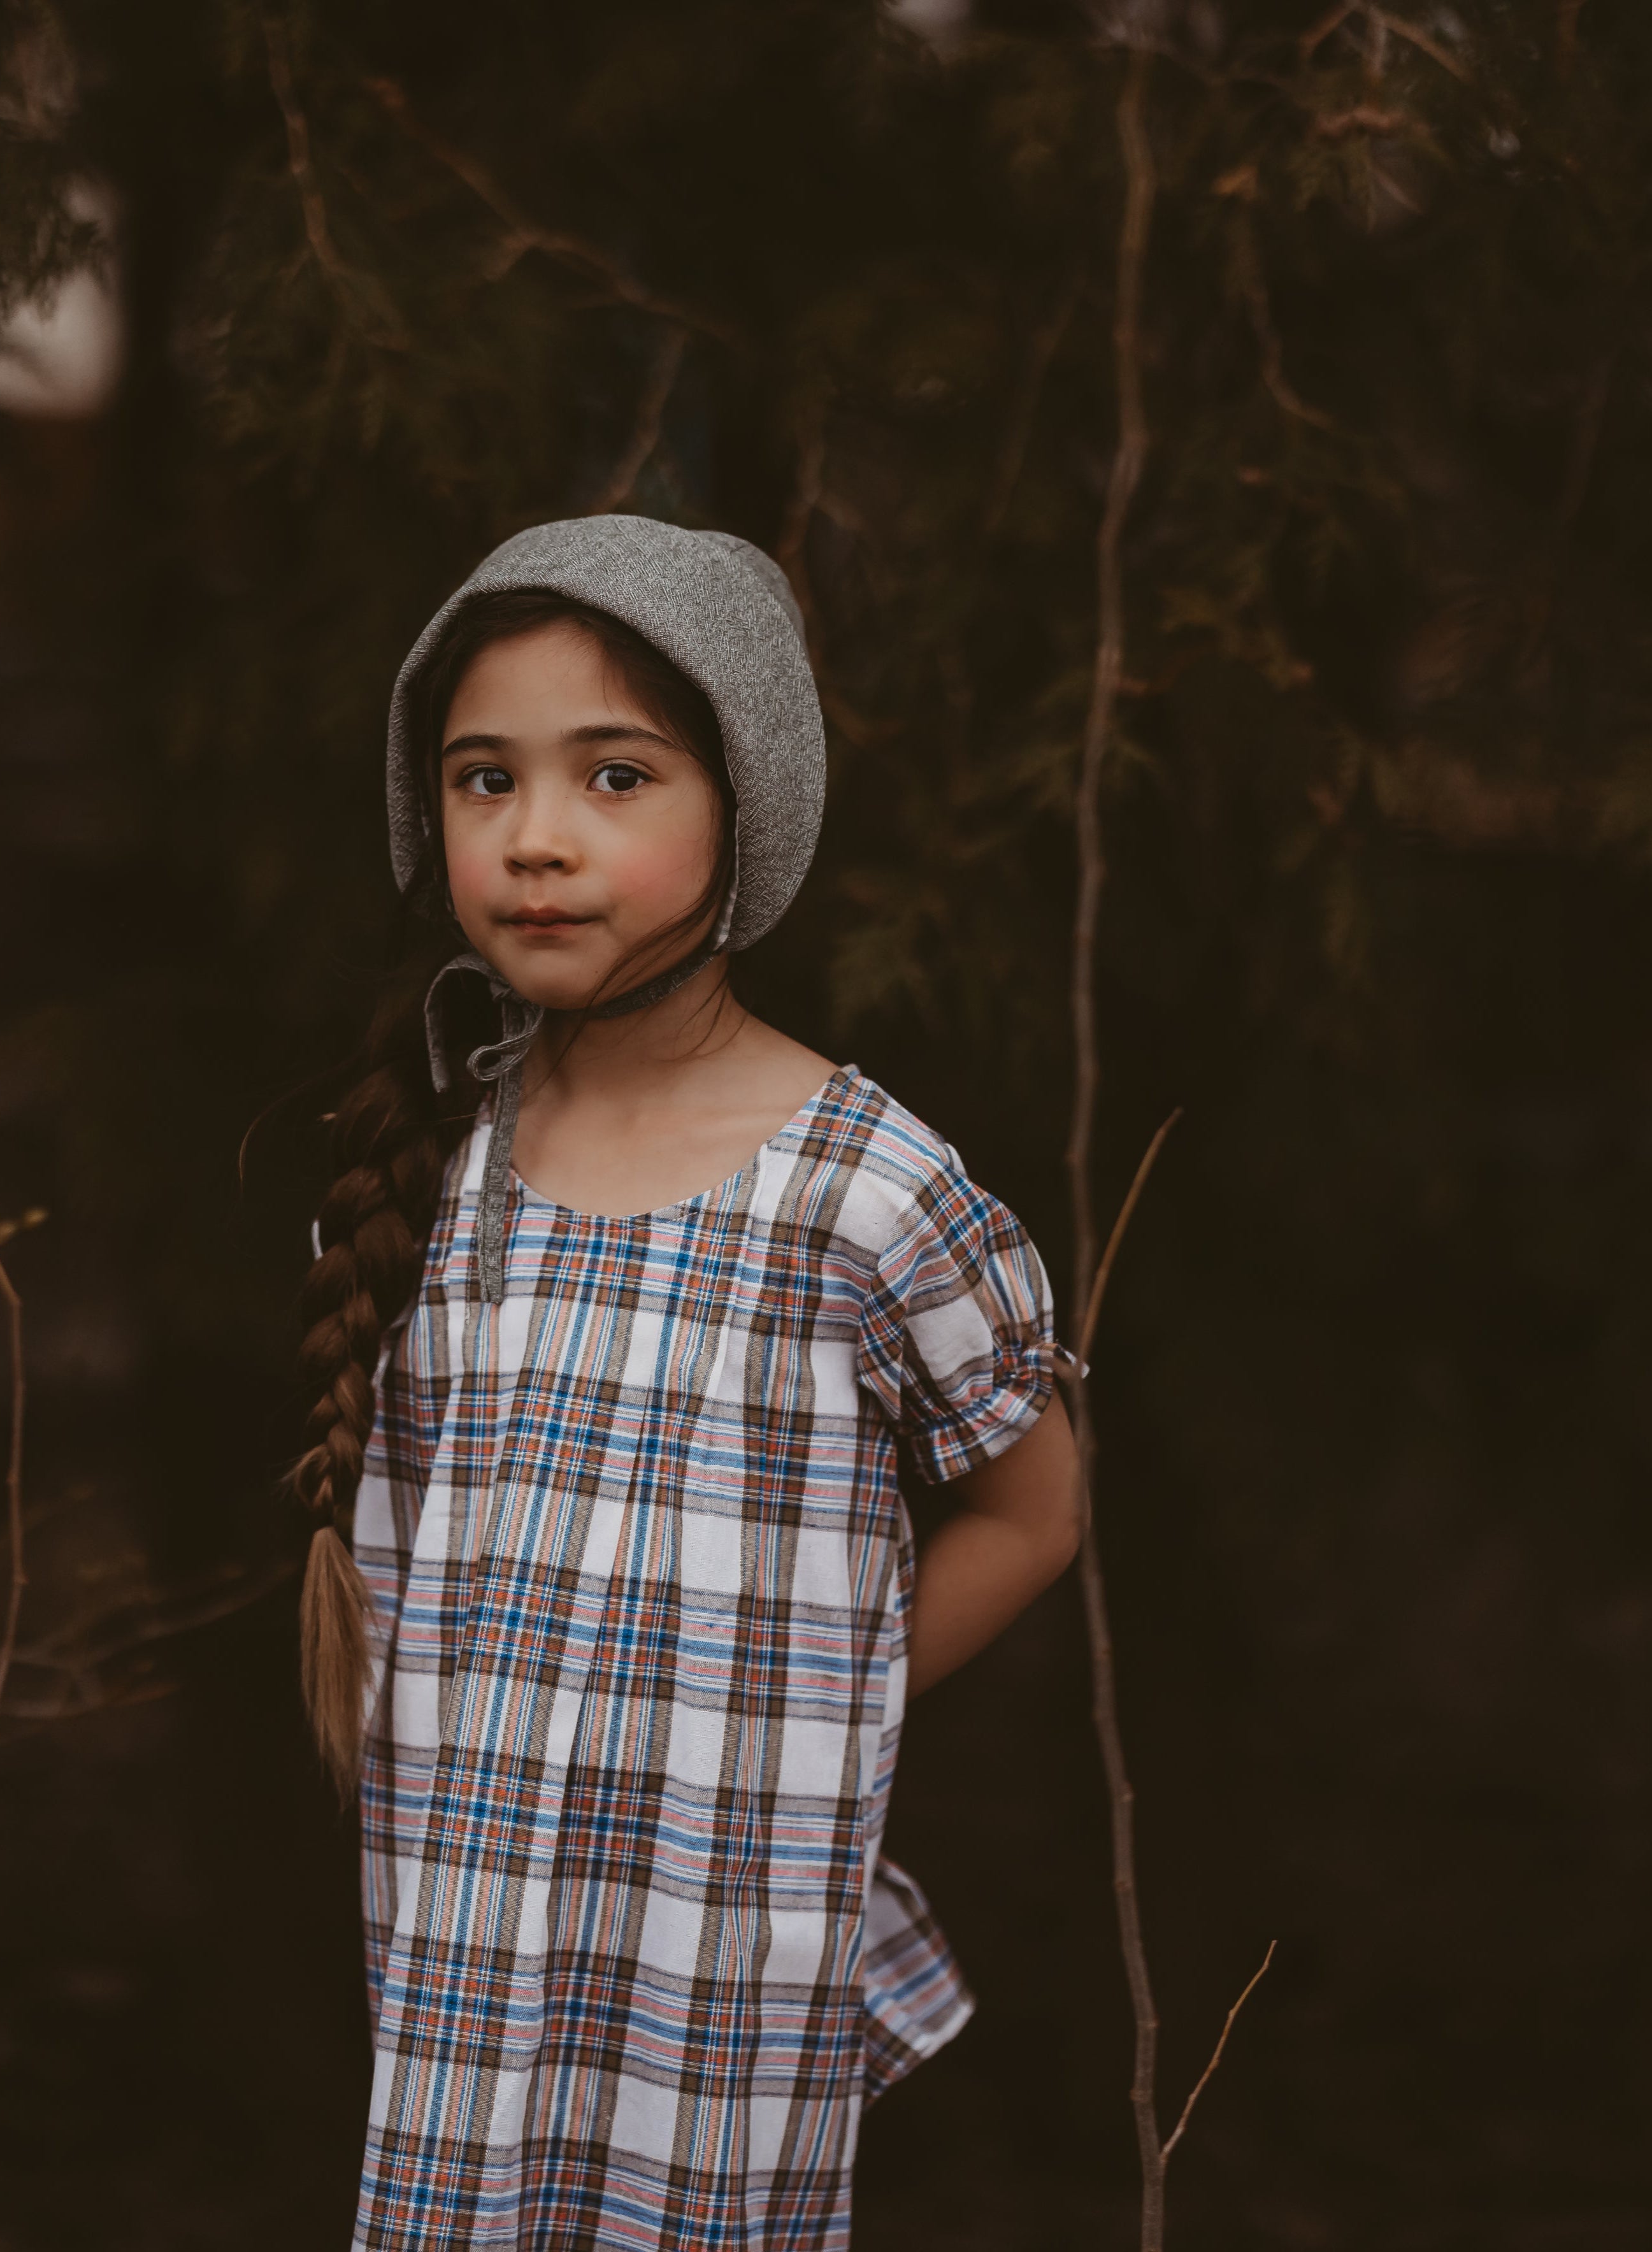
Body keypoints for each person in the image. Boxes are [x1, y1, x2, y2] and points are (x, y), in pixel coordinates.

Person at [292, 515, 1084, 2251]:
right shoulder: (456, 1159)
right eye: (482, 779)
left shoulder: (862, 1191)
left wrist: (816, 1716)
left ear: (750, 812)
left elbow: (1036, 1510)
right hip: (466, 1950)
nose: (539, 841)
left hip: (715, 1959)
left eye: (619, 776)